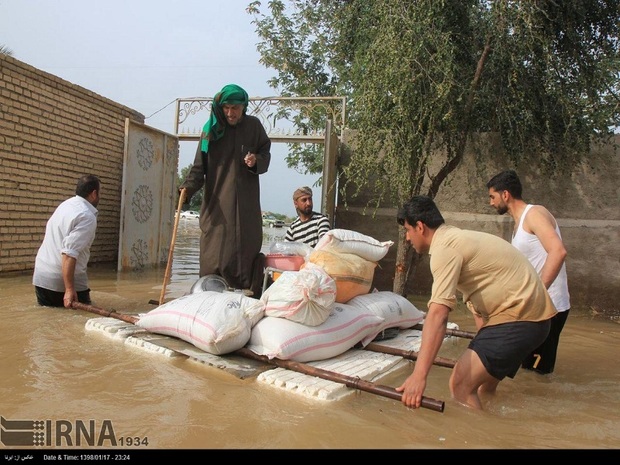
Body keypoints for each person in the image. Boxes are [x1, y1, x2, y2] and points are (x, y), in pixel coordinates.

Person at [394, 195, 556, 410]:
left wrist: (418, 376)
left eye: (408, 230)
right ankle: (494, 425)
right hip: (535, 320)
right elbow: (480, 309)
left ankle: (477, 438)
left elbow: (438, 314)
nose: (407, 238)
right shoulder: (457, 239)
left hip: (519, 319)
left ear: (420, 227)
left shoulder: (444, 249)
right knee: (482, 388)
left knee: (460, 384)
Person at [179, 84, 271, 296]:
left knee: (246, 250)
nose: (230, 113)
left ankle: (247, 295)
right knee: (216, 252)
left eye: (235, 108)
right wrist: (186, 190)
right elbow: (198, 168)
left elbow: (265, 152)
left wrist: (255, 160)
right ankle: (209, 295)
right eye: (226, 108)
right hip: (217, 206)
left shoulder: (254, 127)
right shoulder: (208, 131)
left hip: (247, 208)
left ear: (243, 107)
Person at [486, 169, 570, 375]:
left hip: (548, 306)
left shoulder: (534, 214)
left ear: (505, 194)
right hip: (534, 307)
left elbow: (558, 251)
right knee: (527, 371)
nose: (491, 203)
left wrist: (537, 292)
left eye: (492, 197)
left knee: (538, 374)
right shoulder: (519, 223)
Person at [33, 174, 101, 308]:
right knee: (83, 323)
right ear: (94, 194)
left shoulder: (65, 206)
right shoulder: (87, 216)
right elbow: (69, 253)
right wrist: (69, 289)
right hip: (60, 283)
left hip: (41, 278)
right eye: (100, 193)